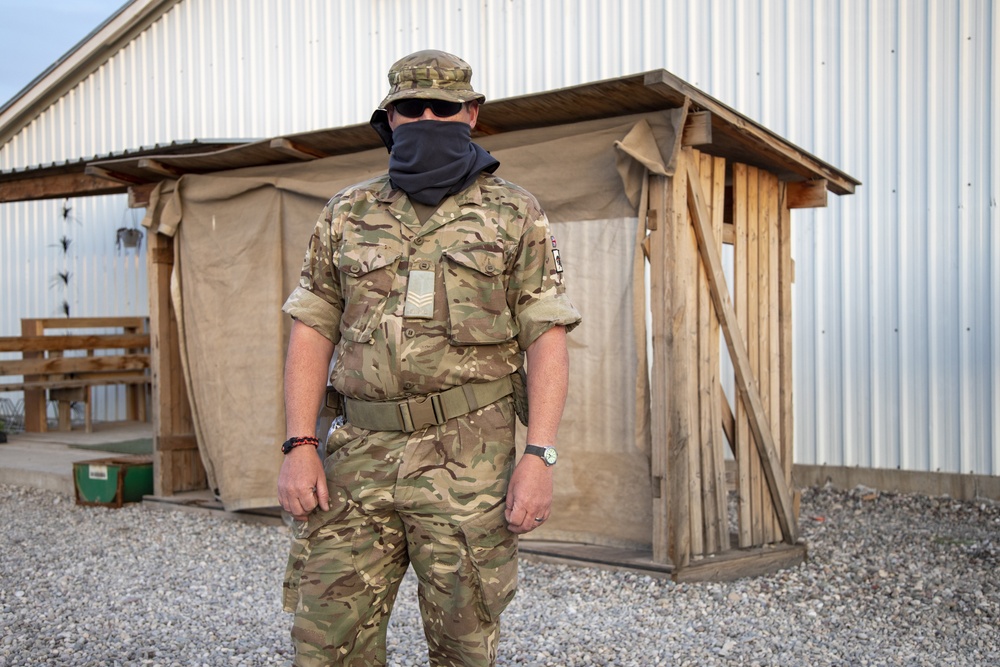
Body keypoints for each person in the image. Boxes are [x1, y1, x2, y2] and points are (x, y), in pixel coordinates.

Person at [277, 50, 581, 667]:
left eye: (442, 107)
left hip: (468, 456)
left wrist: (540, 455)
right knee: (328, 645)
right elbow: (312, 327)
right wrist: (298, 444)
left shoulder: (514, 213)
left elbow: (547, 335)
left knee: (463, 645)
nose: (426, 117)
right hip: (358, 455)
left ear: (470, 114)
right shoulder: (346, 213)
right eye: (409, 109)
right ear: (389, 119)